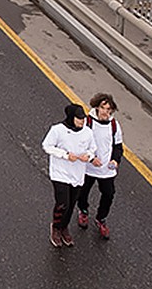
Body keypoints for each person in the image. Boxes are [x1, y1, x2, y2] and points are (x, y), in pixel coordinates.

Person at [42, 103, 99, 247]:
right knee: (63, 203)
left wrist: (89, 155)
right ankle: (55, 227)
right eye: (79, 119)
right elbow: (47, 146)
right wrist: (65, 155)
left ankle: (64, 227)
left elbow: (92, 148)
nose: (82, 122)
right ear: (71, 118)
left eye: (83, 119)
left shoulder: (87, 132)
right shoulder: (57, 130)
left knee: (72, 204)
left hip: (77, 174)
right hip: (60, 173)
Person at [76, 93, 124, 239]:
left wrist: (115, 160)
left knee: (109, 194)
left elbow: (118, 146)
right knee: (82, 192)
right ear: (97, 107)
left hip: (106, 170)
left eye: (109, 110)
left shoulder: (114, 125)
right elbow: (80, 143)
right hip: (88, 168)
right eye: (104, 109)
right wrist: (91, 159)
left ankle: (101, 218)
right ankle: (83, 211)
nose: (106, 113)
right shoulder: (88, 122)